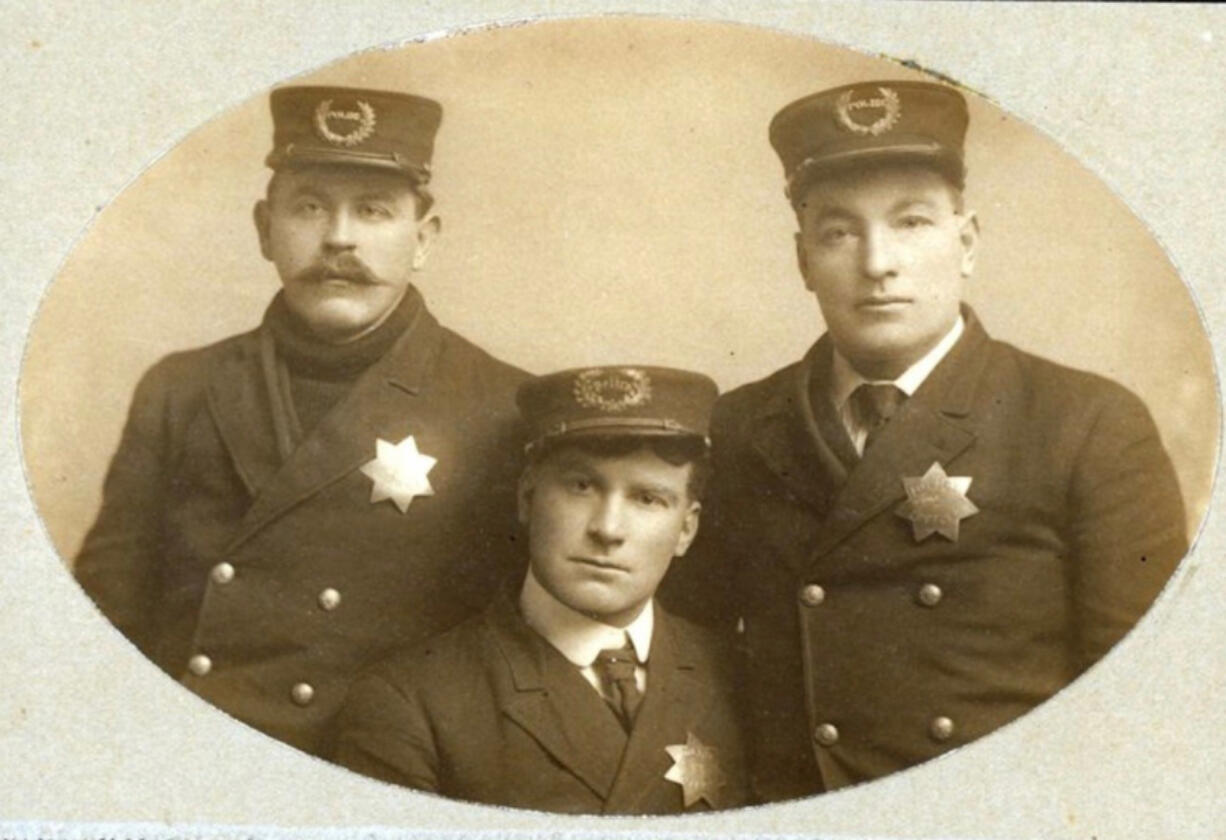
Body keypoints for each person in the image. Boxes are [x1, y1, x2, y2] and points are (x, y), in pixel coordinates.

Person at [662, 80, 1189, 800]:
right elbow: (691, 660)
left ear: (966, 242)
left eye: (911, 223)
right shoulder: (740, 426)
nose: (878, 263)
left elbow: (1139, 707)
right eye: (839, 232)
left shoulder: (1085, 424)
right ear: (802, 259)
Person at [73, 85, 527, 755]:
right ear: (264, 228)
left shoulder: (502, 406)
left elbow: (508, 656)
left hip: (379, 765)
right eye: (310, 207)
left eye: (373, 211)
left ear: (423, 237)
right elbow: (104, 618)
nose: (339, 238)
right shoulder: (181, 388)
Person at [331, 366, 749, 814]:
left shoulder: (740, 676)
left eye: (647, 499)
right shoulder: (408, 702)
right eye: (581, 486)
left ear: (686, 528)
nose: (608, 529)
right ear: (527, 498)